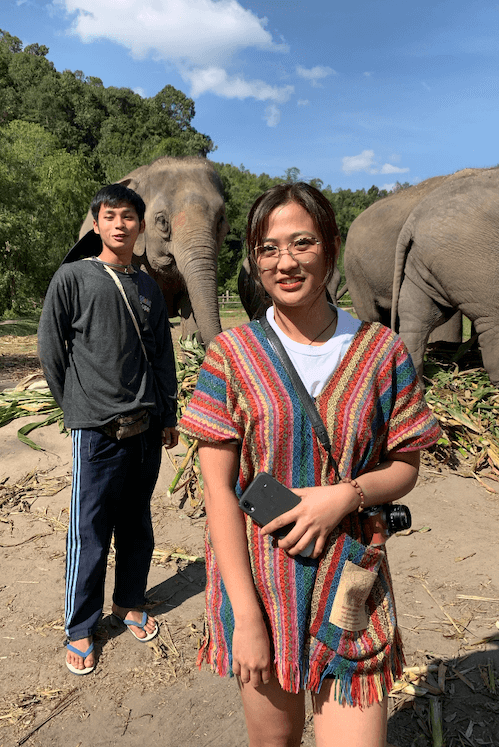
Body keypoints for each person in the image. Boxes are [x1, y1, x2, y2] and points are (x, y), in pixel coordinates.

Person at [178, 183, 441, 746]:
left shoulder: (381, 351)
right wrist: (245, 618)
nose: (286, 262)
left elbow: (406, 466)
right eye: (268, 249)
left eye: (302, 243)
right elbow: (219, 493)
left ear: (330, 246)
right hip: (259, 587)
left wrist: (346, 496)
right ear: (254, 260)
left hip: (351, 585)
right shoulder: (232, 354)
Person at [38, 183, 179, 675]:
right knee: (90, 529)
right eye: (111, 216)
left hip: (146, 425)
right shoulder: (73, 277)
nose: (120, 224)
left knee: (137, 521)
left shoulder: (146, 286)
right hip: (96, 429)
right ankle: (80, 626)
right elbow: (51, 351)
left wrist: (168, 414)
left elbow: (162, 352)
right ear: (96, 223)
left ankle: (129, 599)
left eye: (129, 217)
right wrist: (78, 405)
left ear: (141, 227)